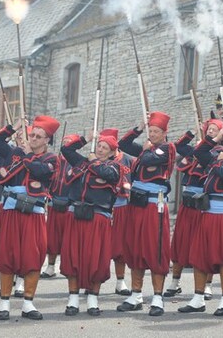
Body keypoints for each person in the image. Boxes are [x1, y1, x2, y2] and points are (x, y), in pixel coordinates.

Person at [0, 116, 60, 321]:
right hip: (11, 212)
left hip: (34, 214)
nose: (34, 139)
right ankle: (4, 303)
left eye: (39, 136)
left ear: (47, 140)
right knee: (6, 256)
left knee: (32, 257)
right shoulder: (14, 153)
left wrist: (28, 154)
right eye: (32, 135)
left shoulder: (51, 159)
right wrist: (14, 127)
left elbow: (38, 171)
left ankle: (28, 303)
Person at [178, 126, 223, 316]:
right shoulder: (218, 159)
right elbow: (199, 151)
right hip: (207, 213)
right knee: (200, 256)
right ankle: (198, 298)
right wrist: (216, 137)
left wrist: (217, 162)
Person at [117, 111, 175, 317]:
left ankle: (158, 297)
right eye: (150, 131)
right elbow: (122, 145)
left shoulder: (167, 149)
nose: (152, 134)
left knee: (155, 249)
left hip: (154, 207)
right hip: (136, 204)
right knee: (135, 248)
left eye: (156, 131)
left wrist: (147, 148)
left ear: (164, 133)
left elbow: (152, 159)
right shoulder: (145, 147)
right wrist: (138, 128)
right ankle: (135, 295)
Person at [60, 132, 122, 316]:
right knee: (73, 257)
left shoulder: (115, 167)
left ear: (111, 153)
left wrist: (94, 161)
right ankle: (72, 299)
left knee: (96, 259)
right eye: (99, 146)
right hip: (76, 215)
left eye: (104, 148)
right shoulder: (81, 163)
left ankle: (93, 299)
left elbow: (107, 175)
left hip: (98, 218)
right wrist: (85, 138)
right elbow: (66, 149)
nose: (100, 149)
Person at [166, 119, 223, 300]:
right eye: (209, 129)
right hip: (187, 204)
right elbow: (179, 145)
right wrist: (193, 130)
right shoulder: (194, 150)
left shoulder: (219, 153)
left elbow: (205, 154)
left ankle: (206, 286)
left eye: (215, 130)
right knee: (180, 244)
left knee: (204, 248)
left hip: (203, 205)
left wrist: (213, 141)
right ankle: (175, 283)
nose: (211, 132)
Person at [41, 133, 80, 279]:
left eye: (70, 142)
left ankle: (68, 266)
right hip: (53, 203)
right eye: (65, 142)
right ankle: (50, 266)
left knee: (68, 240)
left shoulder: (78, 162)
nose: (66, 145)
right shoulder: (54, 161)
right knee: (52, 238)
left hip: (69, 206)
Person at [103, 128, 133, 296]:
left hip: (122, 207)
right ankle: (92, 280)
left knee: (120, 247)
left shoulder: (128, 160)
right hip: (100, 208)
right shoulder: (96, 162)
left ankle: (120, 281)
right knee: (98, 247)